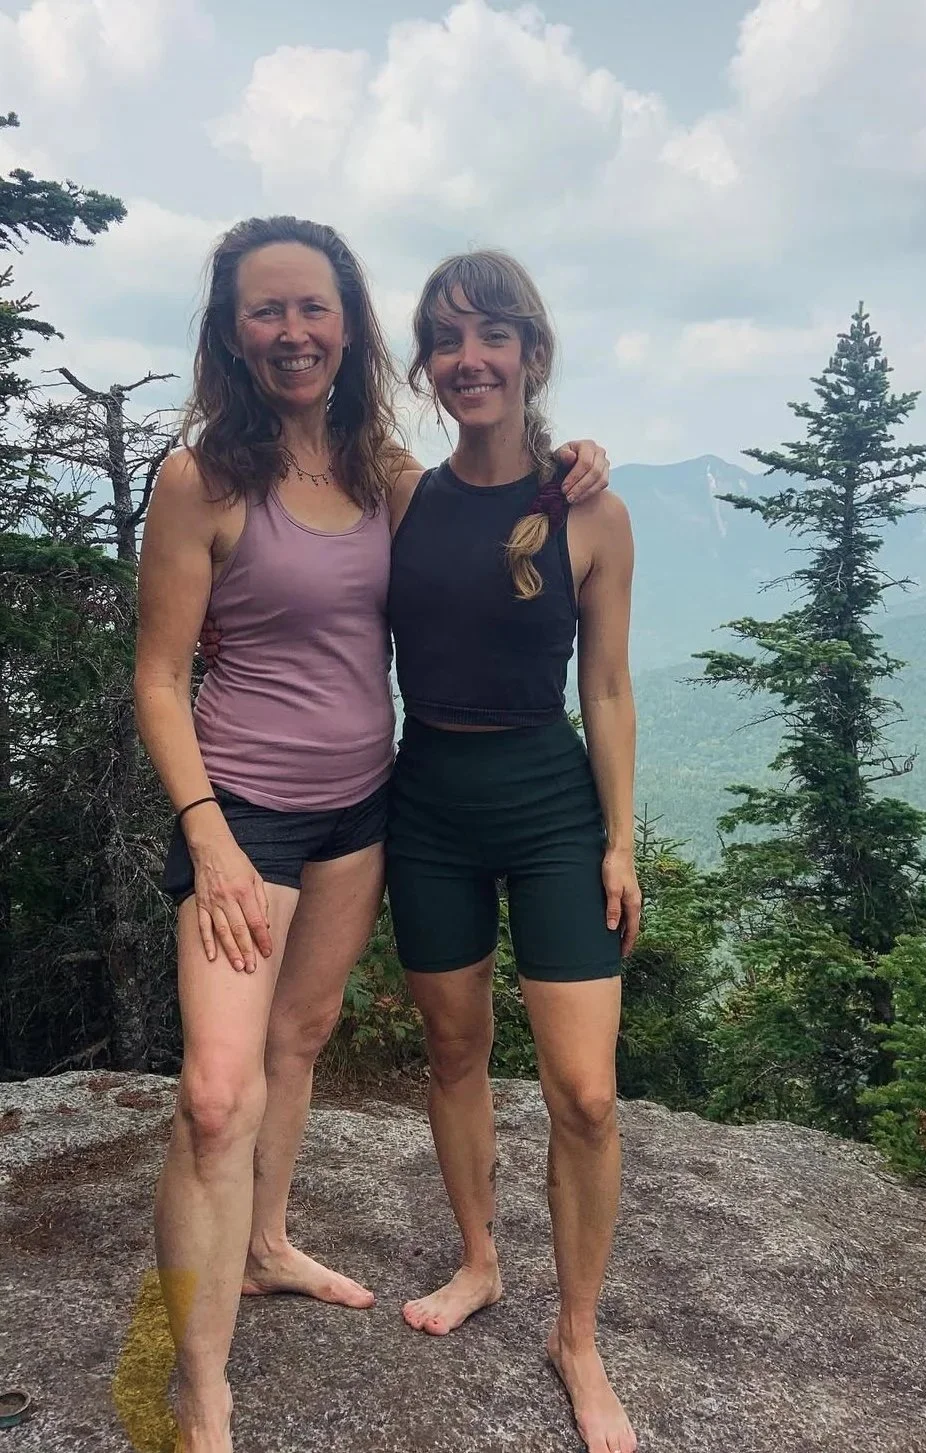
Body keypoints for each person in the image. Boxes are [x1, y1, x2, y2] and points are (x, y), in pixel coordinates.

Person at [133, 214, 610, 1453]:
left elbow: (484, 516)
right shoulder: (200, 479)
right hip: (243, 813)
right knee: (216, 1092)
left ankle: (266, 1242)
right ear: (231, 331)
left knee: (300, 1038)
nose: (293, 332)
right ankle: (197, 1386)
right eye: (266, 310)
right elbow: (159, 676)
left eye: (314, 308)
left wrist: (575, 464)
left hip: (362, 806)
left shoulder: (379, 471)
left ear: (347, 327)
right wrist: (207, 833)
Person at [385, 250, 640, 1453]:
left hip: (548, 804)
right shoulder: (400, 495)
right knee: (454, 1048)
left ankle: (575, 1333)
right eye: (445, 338)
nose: (467, 357)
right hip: (429, 801)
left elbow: (609, 685)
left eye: (491, 334)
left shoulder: (591, 507)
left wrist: (621, 840)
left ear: (531, 354)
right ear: (426, 366)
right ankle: (480, 1259)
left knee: (584, 1092)